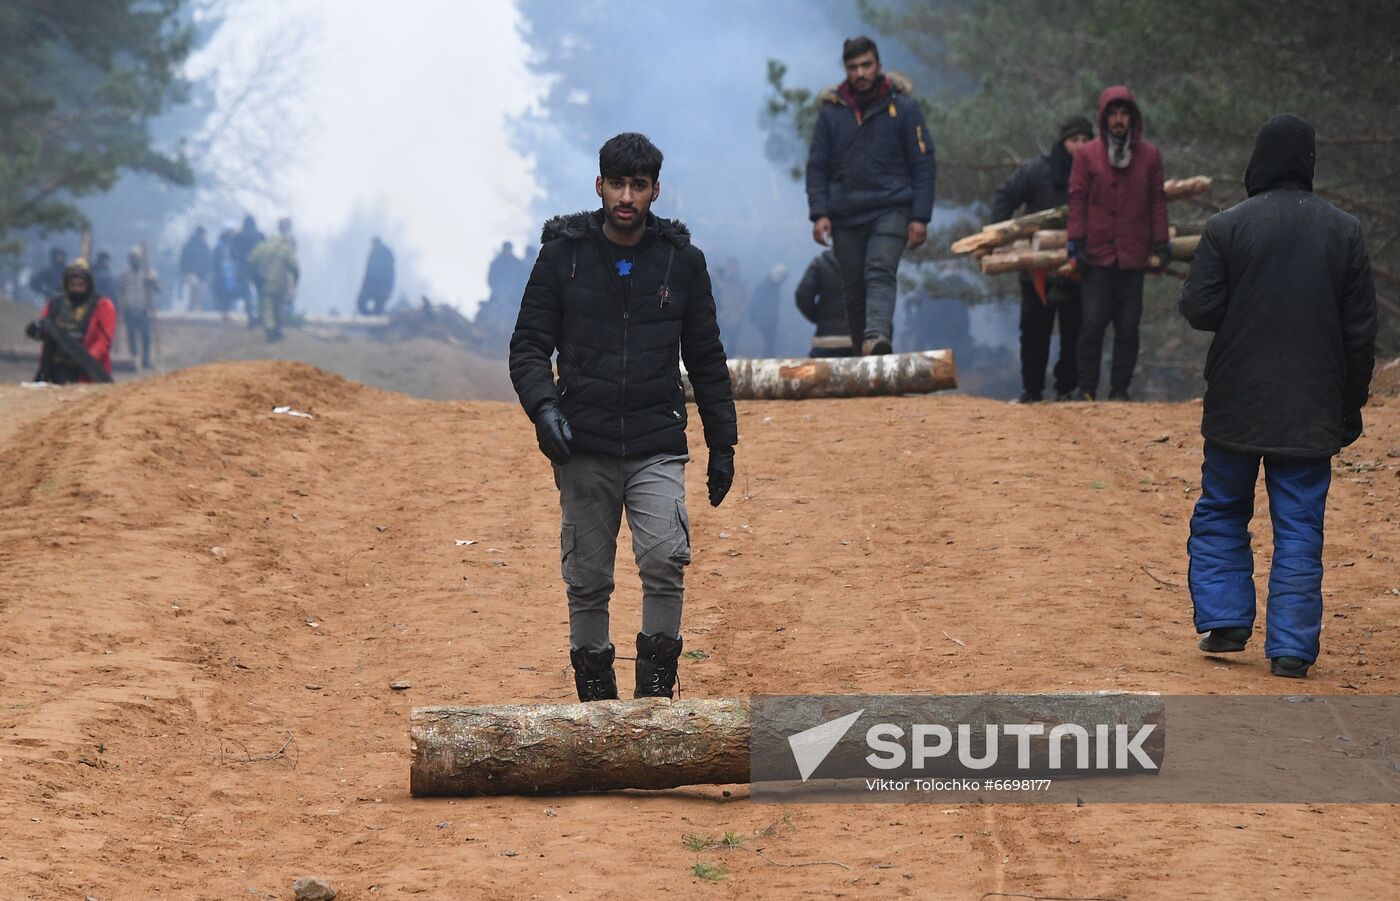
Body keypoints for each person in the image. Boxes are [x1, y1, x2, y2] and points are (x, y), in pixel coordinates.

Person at [509, 132, 737, 702]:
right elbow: (529, 346)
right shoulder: (563, 258)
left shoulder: (682, 264)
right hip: (581, 442)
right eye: (617, 184)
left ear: (656, 189)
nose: (627, 196)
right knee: (587, 577)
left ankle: (657, 691)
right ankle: (596, 701)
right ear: (599, 185)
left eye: (639, 185)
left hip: (656, 440)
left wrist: (723, 444)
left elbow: (706, 358)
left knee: (665, 560)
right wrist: (544, 409)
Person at [1179, 114, 1376, 679]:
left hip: (1237, 402)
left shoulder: (1227, 227)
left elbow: (1199, 309)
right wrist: (1349, 406)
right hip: (1312, 408)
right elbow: (1360, 334)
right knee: (1299, 526)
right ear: (1308, 164)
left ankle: (1225, 622)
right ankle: (1291, 650)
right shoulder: (1345, 231)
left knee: (1221, 510)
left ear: (1257, 161)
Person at [806, 35, 936, 356]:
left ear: (878, 65)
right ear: (846, 70)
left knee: (879, 269)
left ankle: (876, 337)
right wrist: (819, 212)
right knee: (852, 289)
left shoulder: (904, 108)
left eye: (866, 65)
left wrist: (920, 216)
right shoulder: (832, 112)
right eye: (853, 67)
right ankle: (866, 356)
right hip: (845, 213)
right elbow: (816, 166)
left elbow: (923, 163)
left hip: (892, 207)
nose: (861, 72)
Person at [1066, 86, 1169, 401]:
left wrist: (1161, 243)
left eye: (1124, 113)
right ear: (1104, 118)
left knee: (1128, 327)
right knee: (1093, 323)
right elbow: (1077, 198)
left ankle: (1120, 390)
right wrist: (1076, 242)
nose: (1119, 119)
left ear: (1132, 118)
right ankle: (1087, 389)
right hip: (1097, 254)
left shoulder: (1150, 156)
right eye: (1113, 114)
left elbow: (1157, 201)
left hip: (1133, 254)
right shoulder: (1087, 155)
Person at [992, 117, 1095, 402]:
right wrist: (1000, 237)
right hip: (1037, 269)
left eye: (1086, 141)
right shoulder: (1038, 171)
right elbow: (1004, 196)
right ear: (1063, 143)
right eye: (1075, 140)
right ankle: (1032, 391)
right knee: (1034, 331)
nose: (1080, 147)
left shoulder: (1098, 174)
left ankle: (1067, 390)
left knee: (1076, 332)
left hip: (1079, 266)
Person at [25, 259, 116, 384]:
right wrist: (35, 330)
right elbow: (46, 329)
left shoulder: (102, 305)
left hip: (88, 371)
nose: (76, 289)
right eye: (72, 285)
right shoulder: (56, 304)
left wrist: (87, 359)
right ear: (66, 284)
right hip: (57, 366)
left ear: (88, 285)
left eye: (80, 285)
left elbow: (105, 339)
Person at [794, 250, 854, 357]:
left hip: (825, 340)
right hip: (857, 341)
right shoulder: (867, 262)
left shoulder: (820, 262)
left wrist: (819, 317)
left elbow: (802, 295)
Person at [248, 217, 299, 342]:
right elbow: (294, 265)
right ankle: (277, 330)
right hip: (281, 282)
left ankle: (270, 329)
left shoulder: (263, 246)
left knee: (267, 306)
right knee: (278, 307)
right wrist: (295, 279)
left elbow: (251, 260)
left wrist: (254, 275)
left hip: (264, 281)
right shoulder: (286, 247)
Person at [118, 246, 160, 369]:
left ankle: (146, 359)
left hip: (144, 309)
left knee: (146, 335)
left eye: (136, 258)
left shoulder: (150, 273)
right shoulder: (124, 275)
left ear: (140, 259)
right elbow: (121, 291)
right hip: (129, 310)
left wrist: (152, 282)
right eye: (132, 258)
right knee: (131, 335)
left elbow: (158, 289)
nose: (134, 260)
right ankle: (133, 359)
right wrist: (121, 308)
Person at [233, 215, 266, 326]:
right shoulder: (260, 236)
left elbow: (233, 253)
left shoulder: (239, 236)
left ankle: (251, 317)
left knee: (247, 293)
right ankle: (262, 317)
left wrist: (240, 259)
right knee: (261, 293)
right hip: (258, 268)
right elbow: (266, 251)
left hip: (244, 268)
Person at [749, 264, 788, 358]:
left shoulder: (775, 287)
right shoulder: (764, 286)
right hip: (763, 321)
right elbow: (754, 303)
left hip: (770, 321)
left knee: (769, 346)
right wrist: (753, 319)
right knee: (764, 346)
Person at [356, 236, 396, 316]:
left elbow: (390, 274)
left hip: (382, 287)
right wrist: (363, 286)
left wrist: (389, 289)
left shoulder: (387, 255)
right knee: (360, 302)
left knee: (378, 309)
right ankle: (369, 318)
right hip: (370, 285)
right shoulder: (372, 254)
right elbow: (367, 271)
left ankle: (376, 323)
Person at [178, 225, 213, 311]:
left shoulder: (205, 247)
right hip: (190, 273)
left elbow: (209, 260)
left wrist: (208, 272)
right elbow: (183, 260)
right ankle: (192, 307)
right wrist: (184, 272)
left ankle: (195, 307)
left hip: (202, 275)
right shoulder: (189, 245)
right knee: (194, 286)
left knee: (199, 290)